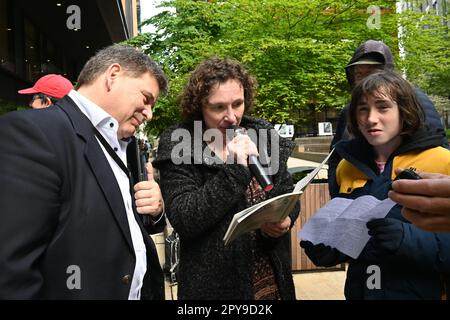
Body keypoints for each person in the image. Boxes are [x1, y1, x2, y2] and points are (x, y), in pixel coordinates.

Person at [0, 45, 168, 299]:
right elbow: (12, 272)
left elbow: (122, 227)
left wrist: (155, 210)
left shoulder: (125, 144)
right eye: (146, 98)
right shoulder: (34, 134)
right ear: (113, 75)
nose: (149, 113)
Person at [153, 57, 299, 300]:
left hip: (269, 279)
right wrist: (236, 169)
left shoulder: (261, 133)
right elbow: (184, 218)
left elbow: (285, 191)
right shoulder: (181, 141)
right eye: (219, 107)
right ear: (199, 105)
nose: (231, 117)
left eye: (238, 104)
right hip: (214, 286)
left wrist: (285, 220)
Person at [301, 70, 450, 299]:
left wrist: (408, 238)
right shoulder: (346, 167)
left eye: (383, 107)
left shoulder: (442, 162)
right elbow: (351, 233)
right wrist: (329, 246)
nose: (371, 118)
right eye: (363, 109)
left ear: (404, 111)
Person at [328, 40, 448, 192]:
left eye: (372, 72)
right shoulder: (349, 110)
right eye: (359, 74)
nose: (371, 118)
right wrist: (337, 191)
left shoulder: (416, 100)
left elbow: (435, 143)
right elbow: (336, 154)